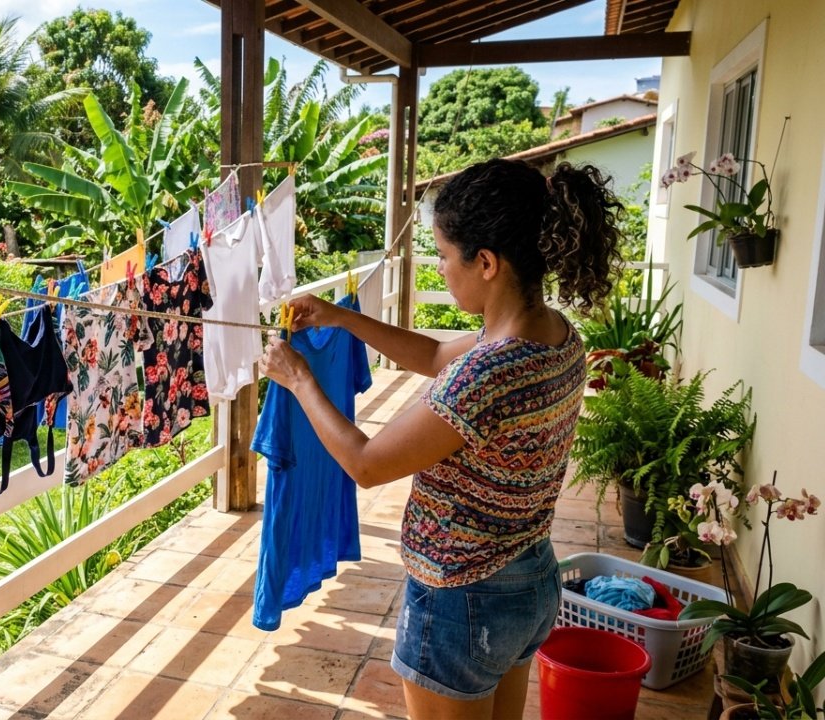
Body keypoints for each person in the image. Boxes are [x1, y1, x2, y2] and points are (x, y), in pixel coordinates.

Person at [259, 159, 623, 720]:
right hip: (527, 583)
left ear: (486, 263)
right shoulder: (555, 336)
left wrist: (299, 378)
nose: (441, 269)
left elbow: (366, 463)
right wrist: (340, 317)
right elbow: (431, 355)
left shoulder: (486, 375)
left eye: (444, 257)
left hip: (464, 600)